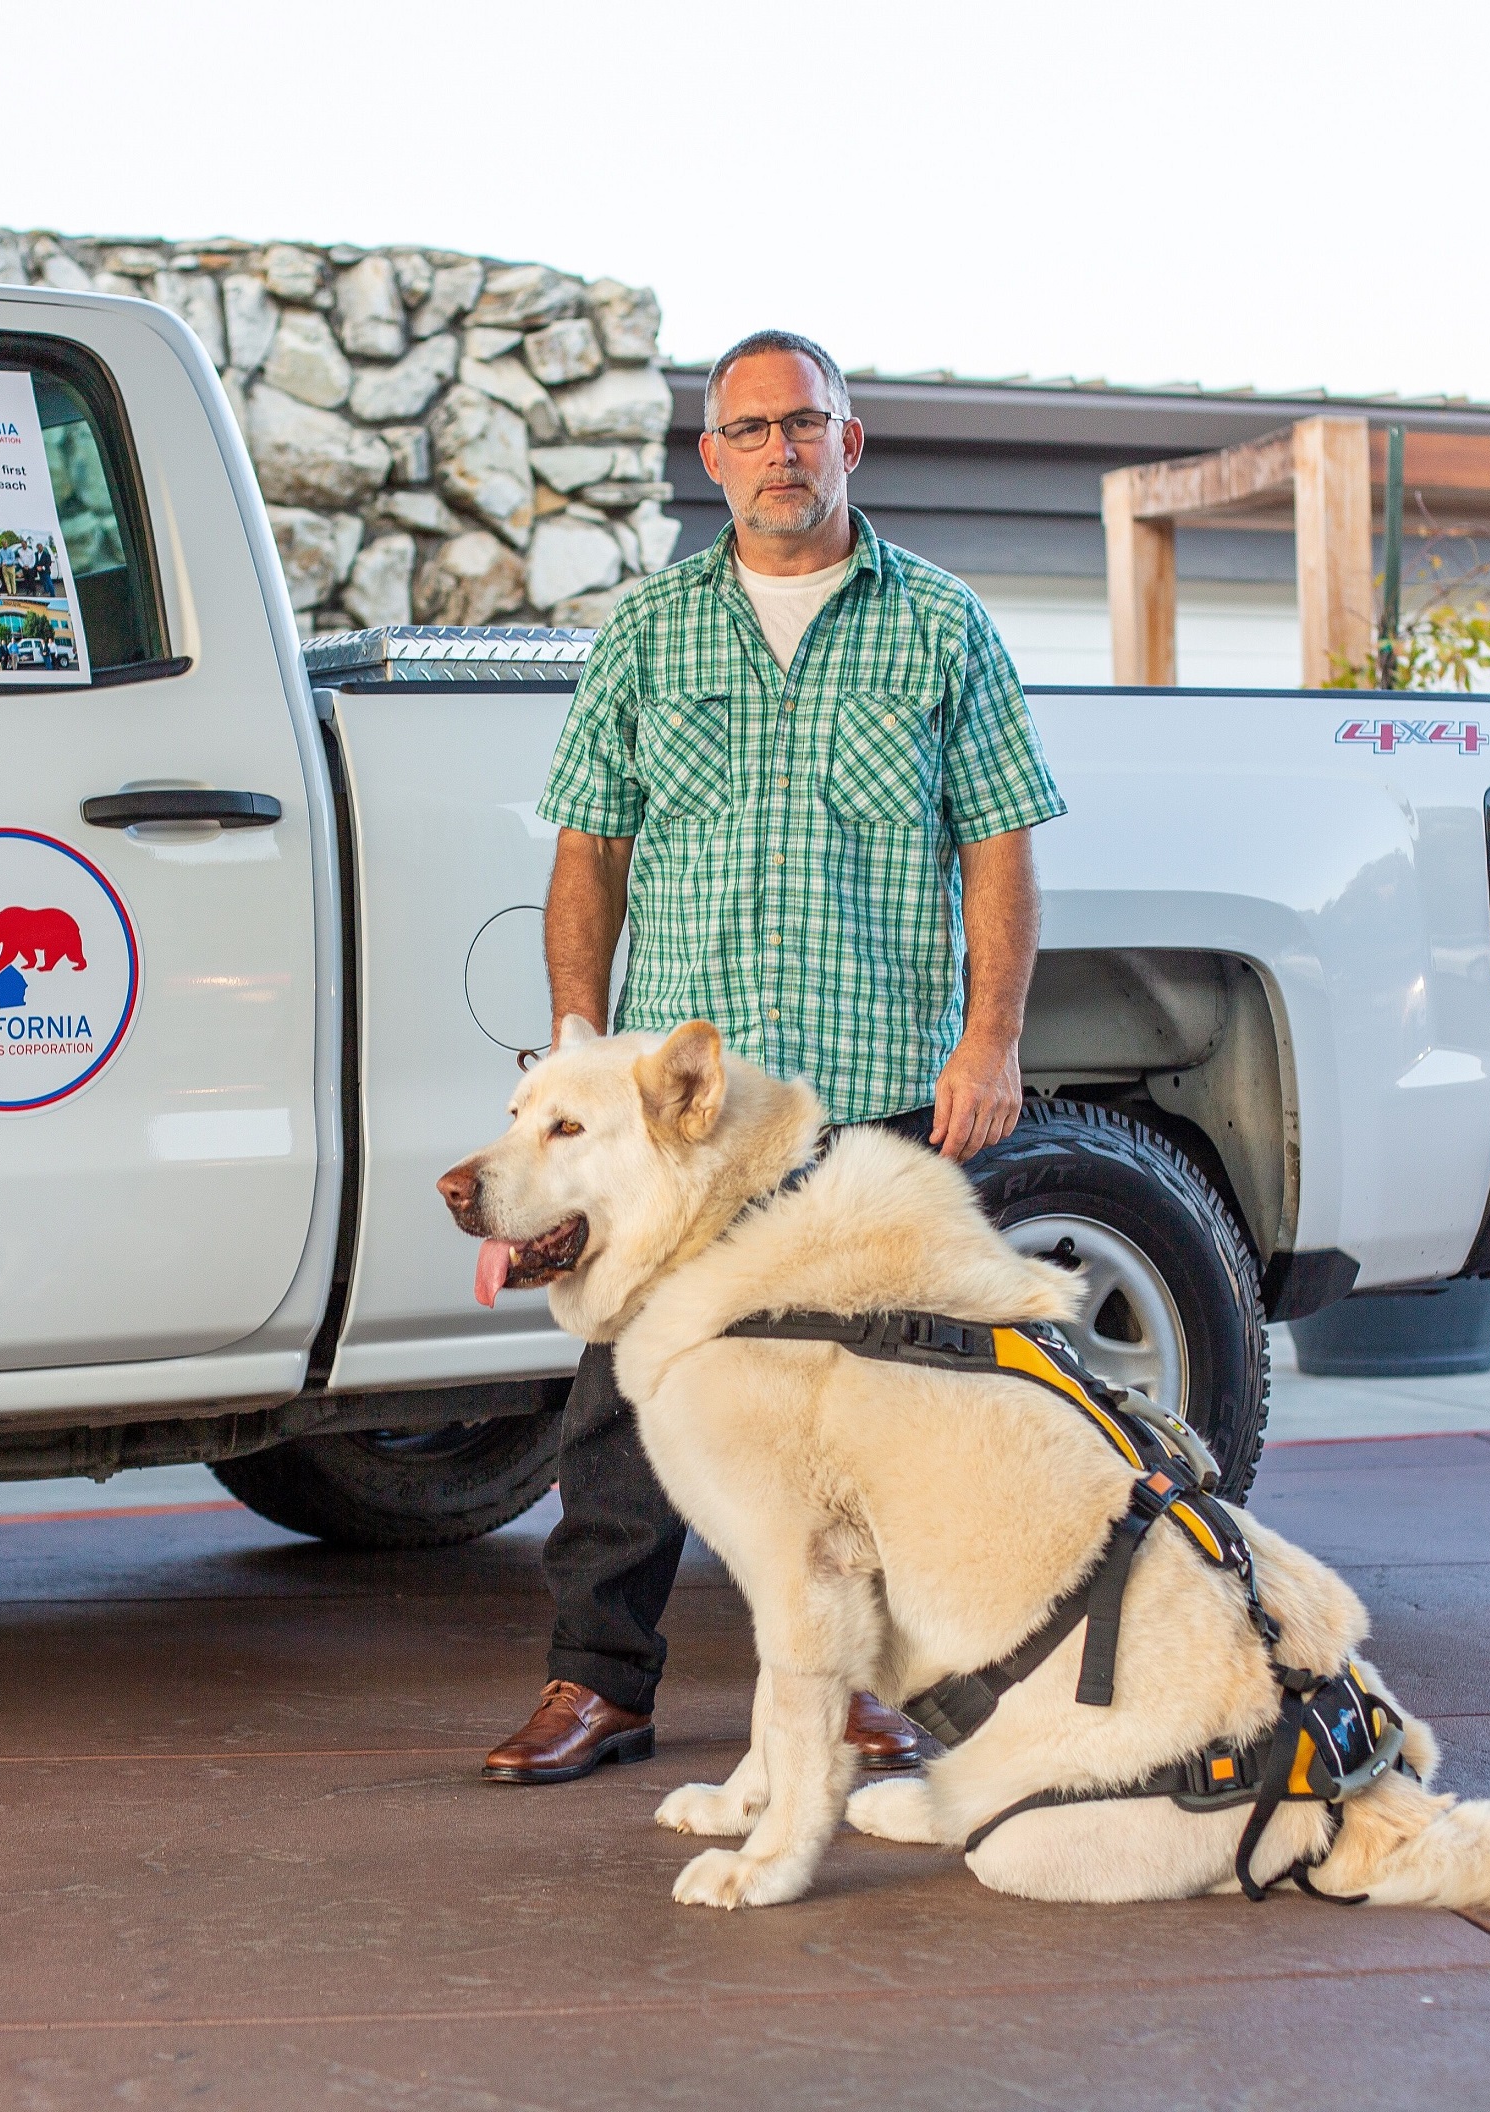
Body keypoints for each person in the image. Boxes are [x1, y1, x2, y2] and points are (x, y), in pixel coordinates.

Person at [484, 329, 1067, 1785]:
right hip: (683, 1120)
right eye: (747, 431)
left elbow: (997, 850)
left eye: (803, 425)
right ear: (711, 458)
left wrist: (990, 1039)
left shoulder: (942, 627)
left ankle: (866, 1695)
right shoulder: (648, 631)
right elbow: (588, 849)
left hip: (868, 1086)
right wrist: (577, 1050)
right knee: (629, 1395)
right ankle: (597, 1686)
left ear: (849, 442)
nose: (778, 454)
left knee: (862, 1406)